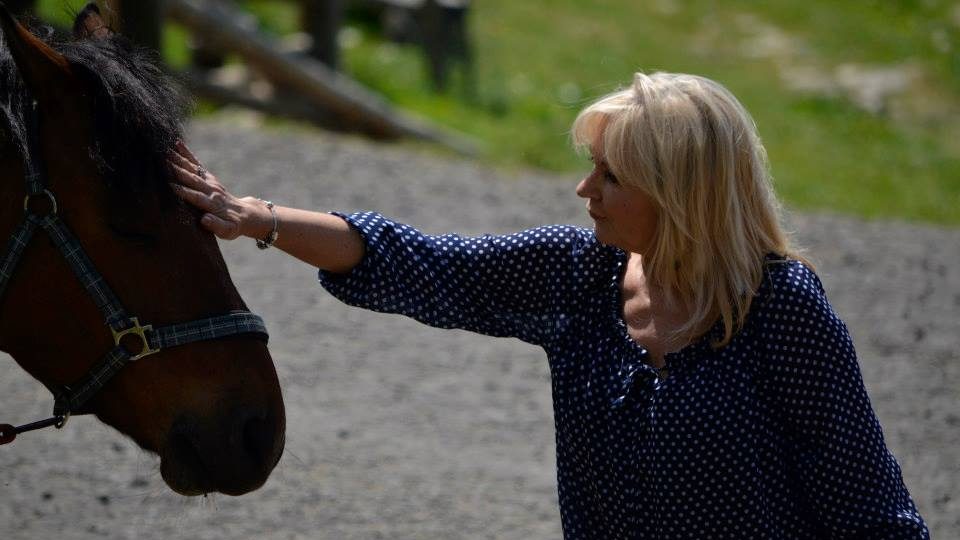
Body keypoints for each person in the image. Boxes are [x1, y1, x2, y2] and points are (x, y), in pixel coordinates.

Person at [169, 72, 929, 539]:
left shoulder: (780, 310)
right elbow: (417, 260)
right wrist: (256, 218)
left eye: (610, 175)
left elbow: (868, 506)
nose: (583, 190)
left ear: (679, 194)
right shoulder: (580, 276)